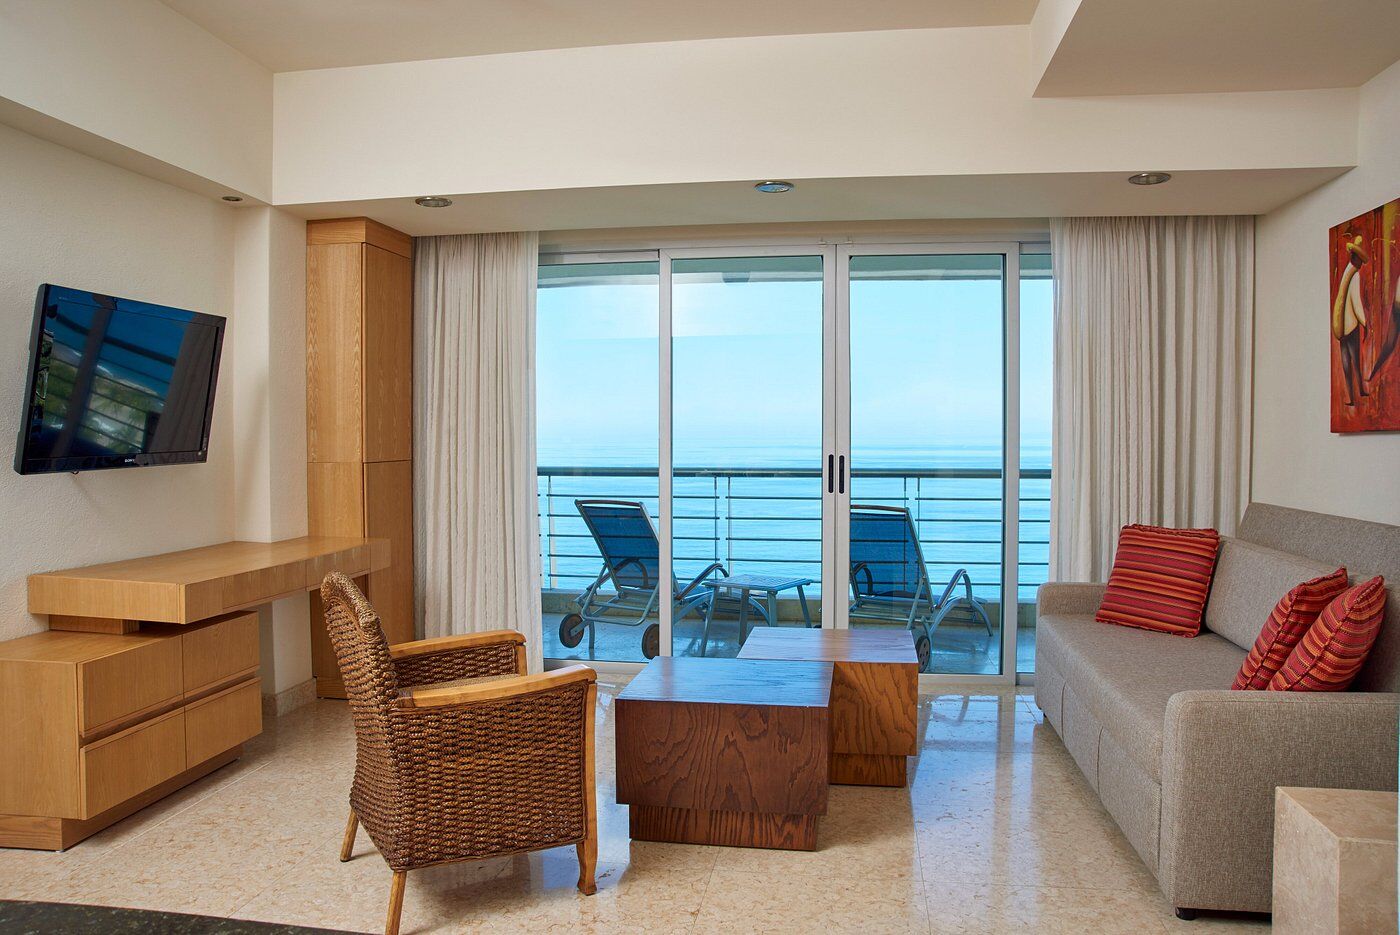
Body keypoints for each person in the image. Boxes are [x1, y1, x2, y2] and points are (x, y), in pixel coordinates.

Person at [1331, 234, 1369, 405]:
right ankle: (1360, 389)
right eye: (1360, 259)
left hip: (1340, 326)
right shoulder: (1355, 275)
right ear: (1356, 258)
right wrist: (1365, 323)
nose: (1361, 263)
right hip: (1351, 325)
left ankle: (1349, 397)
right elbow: (1356, 302)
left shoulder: (1346, 272)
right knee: (1355, 360)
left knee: (1345, 360)